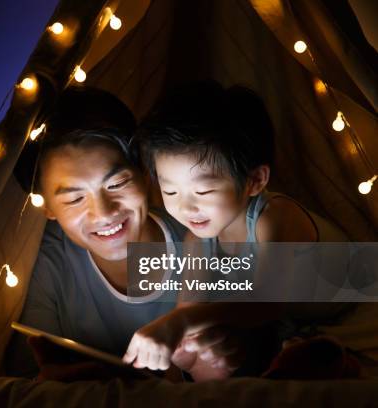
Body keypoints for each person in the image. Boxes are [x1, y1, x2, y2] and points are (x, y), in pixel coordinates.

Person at [6, 86, 237, 380]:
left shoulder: (206, 231)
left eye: (116, 184)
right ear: (47, 207)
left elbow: (298, 294)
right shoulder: (47, 261)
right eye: (75, 199)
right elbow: (25, 376)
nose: (103, 212)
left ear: (145, 173)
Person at [122, 81, 350, 372]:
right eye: (170, 192)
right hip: (290, 328)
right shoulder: (197, 240)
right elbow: (189, 309)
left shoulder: (274, 218)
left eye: (203, 192)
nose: (185, 207)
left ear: (255, 180)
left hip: (344, 312)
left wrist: (181, 323)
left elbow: (265, 305)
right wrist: (178, 338)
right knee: (205, 347)